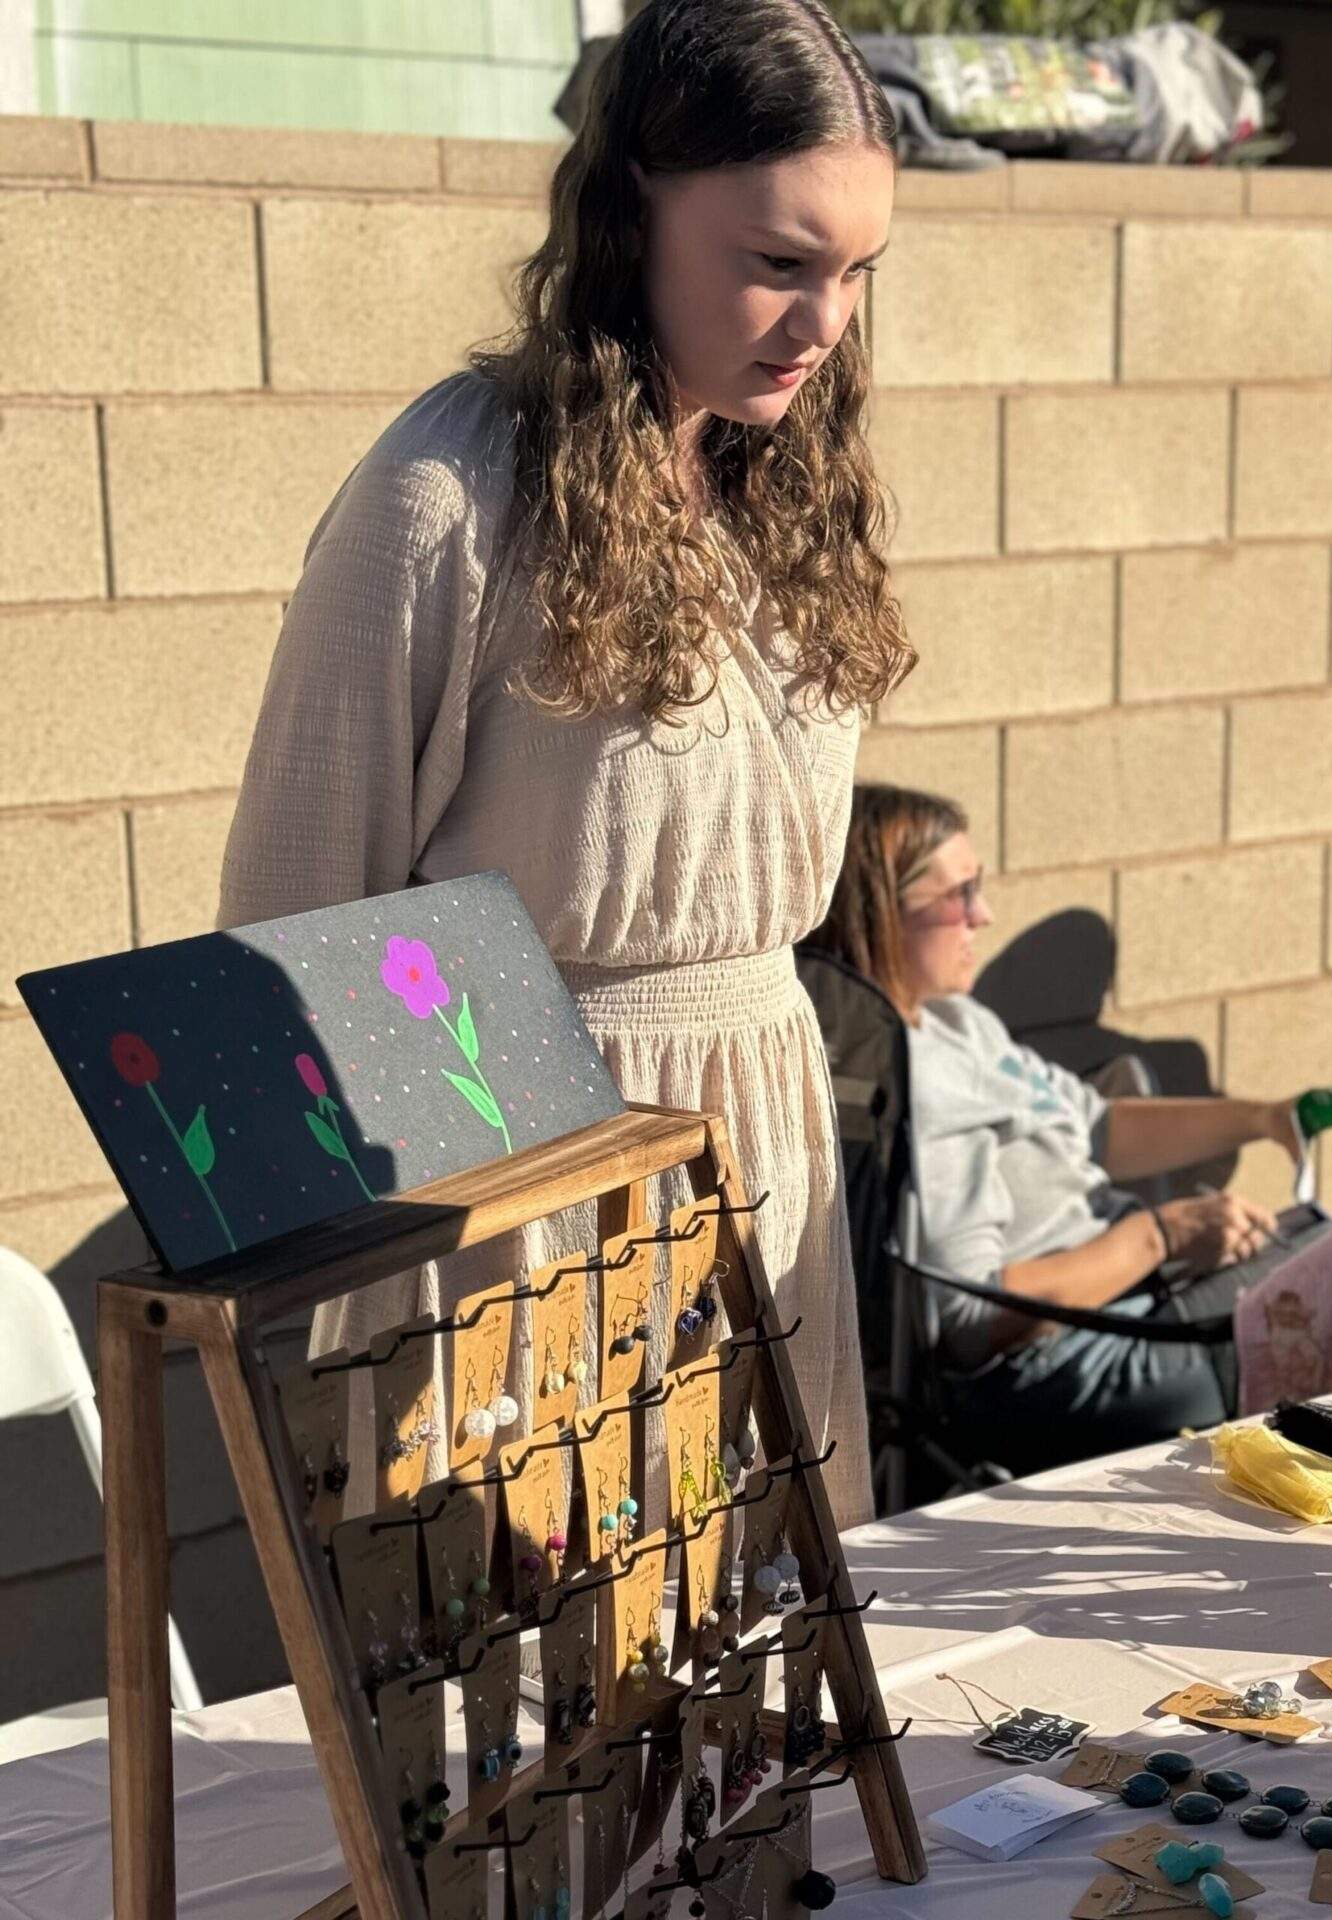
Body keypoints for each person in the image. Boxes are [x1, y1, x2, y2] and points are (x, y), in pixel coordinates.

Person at [217, 0, 908, 1525]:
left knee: (746, 1690)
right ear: (629, 217)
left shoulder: (788, 484)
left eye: (856, 271)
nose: (824, 323)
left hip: (758, 1145)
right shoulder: (443, 498)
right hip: (512, 1174)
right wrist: (456, 1253)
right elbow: (298, 915)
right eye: (778, 263)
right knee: (539, 1691)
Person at [810, 782, 1332, 1475]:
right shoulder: (913, 1084)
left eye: (979, 886)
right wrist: (1163, 1234)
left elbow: (1096, 1127)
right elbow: (971, 1325)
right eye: (959, 896)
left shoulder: (957, 1022)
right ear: (881, 913)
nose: (984, 915)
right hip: (1070, 1361)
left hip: (1137, 1304)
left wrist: (1260, 1118)